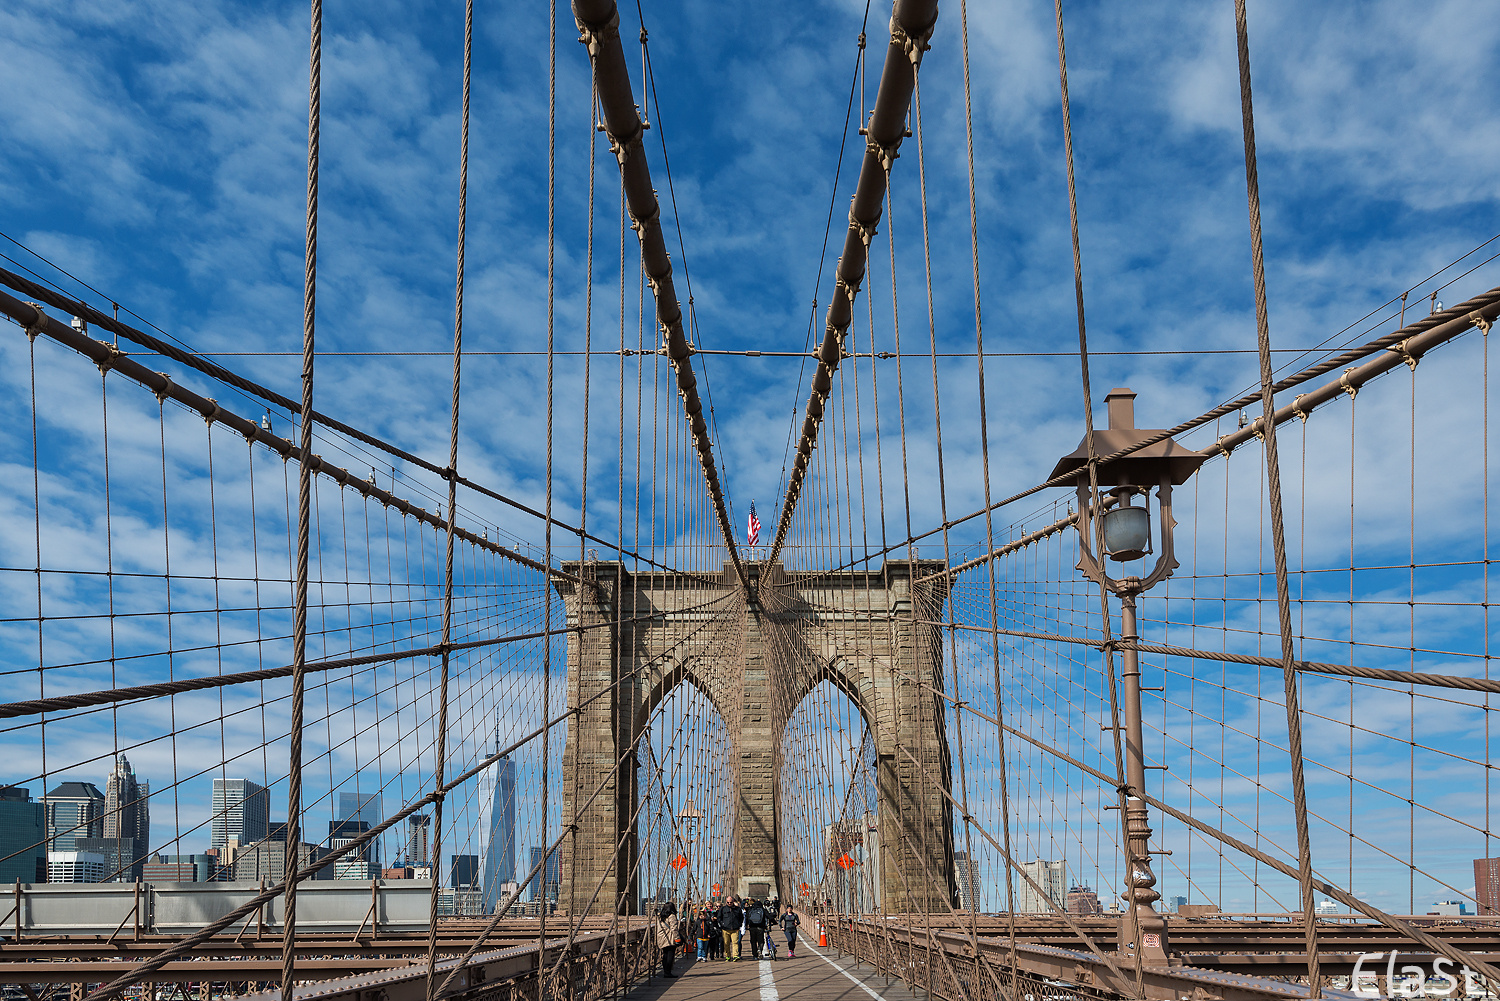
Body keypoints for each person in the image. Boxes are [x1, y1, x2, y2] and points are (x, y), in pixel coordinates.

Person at [656, 901, 680, 978]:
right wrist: (677, 938)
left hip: (661, 937)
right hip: (669, 937)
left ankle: (666, 971)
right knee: (670, 955)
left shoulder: (660, 916)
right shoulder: (671, 916)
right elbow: (674, 928)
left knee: (665, 955)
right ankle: (668, 972)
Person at [718, 895, 744, 961]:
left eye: (731, 902)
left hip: (735, 929)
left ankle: (735, 955)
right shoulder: (723, 909)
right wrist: (722, 924)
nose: (729, 903)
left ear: (733, 902)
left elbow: (741, 917)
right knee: (726, 943)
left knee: (735, 942)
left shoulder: (737, 909)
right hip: (725, 929)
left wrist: (739, 924)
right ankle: (728, 956)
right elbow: (719, 917)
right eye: (728, 902)